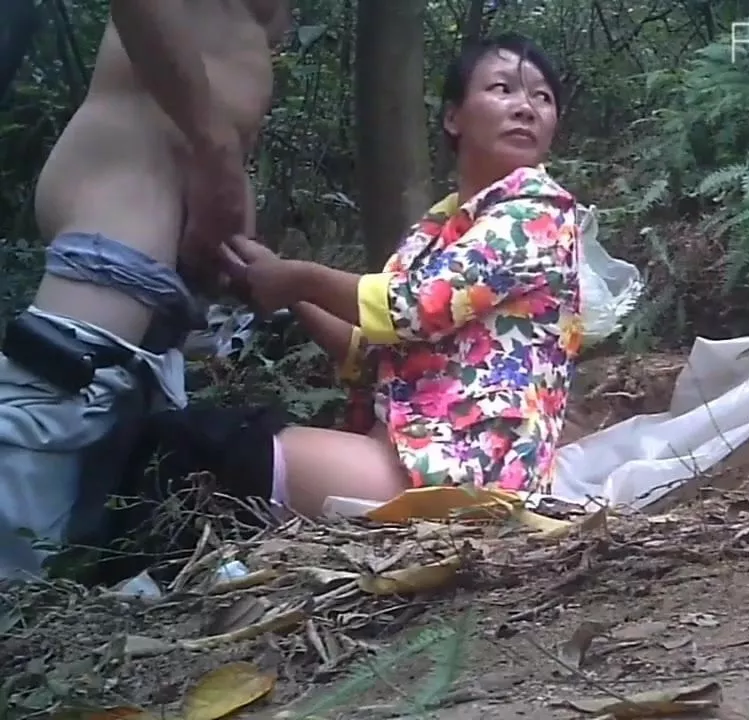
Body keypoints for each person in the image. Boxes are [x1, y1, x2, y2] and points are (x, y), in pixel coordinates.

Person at [224, 33, 582, 518]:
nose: (526, 108)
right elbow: (374, 351)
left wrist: (298, 279)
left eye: (542, 97)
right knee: (205, 443)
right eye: (503, 89)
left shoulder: (537, 212)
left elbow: (411, 307)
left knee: (221, 448)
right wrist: (282, 287)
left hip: (467, 469)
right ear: (452, 117)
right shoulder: (441, 227)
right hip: (410, 453)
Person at [0, 0, 292, 579]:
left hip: (176, 210)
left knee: (130, 443)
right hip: (130, 181)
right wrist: (215, 149)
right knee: (50, 409)